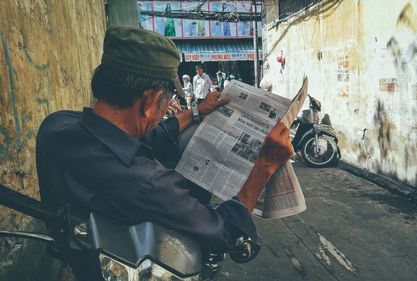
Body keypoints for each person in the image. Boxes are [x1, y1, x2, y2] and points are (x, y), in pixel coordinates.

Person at [36, 26, 292, 279]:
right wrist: (264, 166)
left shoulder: (56, 126)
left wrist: (195, 113)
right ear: (150, 100)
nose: (165, 111)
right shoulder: (148, 182)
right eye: (166, 102)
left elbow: (146, 135)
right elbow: (220, 229)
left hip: (77, 255)